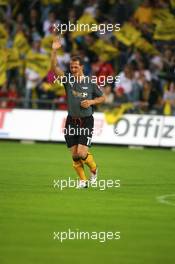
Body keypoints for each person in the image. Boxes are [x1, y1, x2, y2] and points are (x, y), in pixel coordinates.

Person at [51, 36, 105, 188]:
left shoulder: (90, 82)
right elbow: (53, 69)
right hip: (71, 120)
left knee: (82, 153)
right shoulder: (68, 80)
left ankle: (94, 169)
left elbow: (103, 97)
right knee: (74, 155)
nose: (73, 69)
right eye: (71, 67)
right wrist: (54, 51)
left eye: (76, 67)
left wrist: (91, 102)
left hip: (86, 120)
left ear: (82, 67)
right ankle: (83, 181)